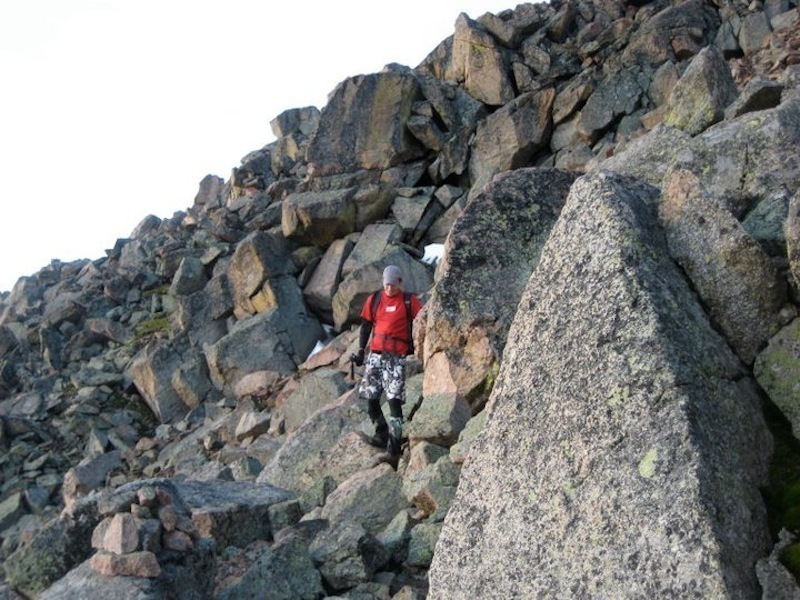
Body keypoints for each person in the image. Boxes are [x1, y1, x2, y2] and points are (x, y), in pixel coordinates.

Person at [352, 265, 422, 457]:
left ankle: (395, 444)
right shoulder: (374, 299)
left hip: (396, 356)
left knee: (394, 401)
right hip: (375, 354)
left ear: (400, 282)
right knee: (371, 399)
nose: (389, 288)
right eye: (386, 284)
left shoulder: (410, 301)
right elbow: (366, 326)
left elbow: (421, 322)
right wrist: (360, 352)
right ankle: (381, 433)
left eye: (393, 284)